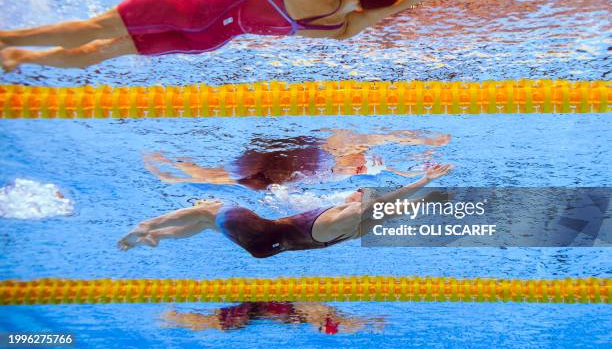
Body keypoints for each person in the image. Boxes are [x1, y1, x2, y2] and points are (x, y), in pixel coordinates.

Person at [0, 0, 495, 71]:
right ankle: (19, 57)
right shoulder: (343, 26)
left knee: (96, 27)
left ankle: (9, 38)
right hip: (209, 39)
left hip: (194, 5)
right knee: (97, 54)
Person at [117, 163, 452, 257]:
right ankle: (158, 236)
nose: (353, 194)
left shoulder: (345, 216)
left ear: (358, 203)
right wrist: (426, 202)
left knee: (209, 210)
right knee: (207, 223)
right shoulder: (356, 229)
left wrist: (423, 180)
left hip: (263, 233)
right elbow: (390, 212)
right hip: (266, 248)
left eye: (358, 194)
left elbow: (384, 203)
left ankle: (148, 226)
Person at [143, 129, 451, 190]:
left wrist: (417, 175)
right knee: (219, 175)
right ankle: (176, 168)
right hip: (278, 160)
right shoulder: (342, 144)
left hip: (284, 173)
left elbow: (392, 162)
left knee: (221, 176)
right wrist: (424, 139)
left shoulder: (350, 163)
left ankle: (176, 171)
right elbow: (389, 136)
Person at [162, 302, 383, 334]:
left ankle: (169, 316)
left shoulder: (317, 312)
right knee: (206, 322)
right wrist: (368, 322)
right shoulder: (318, 312)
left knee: (206, 322)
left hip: (260, 310)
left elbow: (339, 326)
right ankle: (169, 316)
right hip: (261, 310)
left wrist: (368, 322)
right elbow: (338, 326)